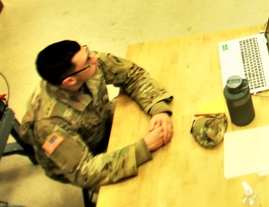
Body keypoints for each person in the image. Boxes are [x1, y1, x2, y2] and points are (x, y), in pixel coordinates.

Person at [20, 40, 175, 189]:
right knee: (150, 186)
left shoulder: (85, 64)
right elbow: (84, 172)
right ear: (70, 81)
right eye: (87, 59)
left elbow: (131, 74)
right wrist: (143, 148)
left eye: (86, 51)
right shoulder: (48, 124)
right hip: (84, 156)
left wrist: (157, 109)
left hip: (102, 119)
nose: (94, 58)